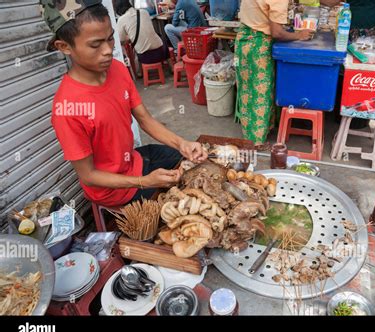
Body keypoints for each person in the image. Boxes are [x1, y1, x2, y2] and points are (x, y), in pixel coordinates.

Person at [39, 0, 207, 207]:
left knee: (199, 166)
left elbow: (145, 119)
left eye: (110, 38)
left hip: (135, 161)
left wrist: (183, 144)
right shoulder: (67, 109)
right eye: (95, 44)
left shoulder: (117, 69)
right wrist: (143, 182)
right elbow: (89, 175)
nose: (108, 50)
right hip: (114, 191)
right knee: (181, 214)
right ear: (64, 46)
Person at [235, 0, 339, 150]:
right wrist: (299, 35)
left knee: (247, 89)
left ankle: (260, 131)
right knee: (259, 94)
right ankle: (255, 142)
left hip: (244, 39)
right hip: (257, 44)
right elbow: (277, 33)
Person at [115, 0, 169, 64]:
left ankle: (139, 72)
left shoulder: (121, 20)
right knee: (159, 37)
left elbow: (121, 40)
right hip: (162, 51)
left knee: (135, 50)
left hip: (146, 57)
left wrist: (130, 36)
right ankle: (169, 65)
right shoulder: (144, 12)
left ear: (119, 10)